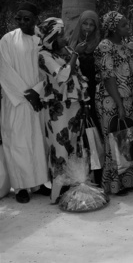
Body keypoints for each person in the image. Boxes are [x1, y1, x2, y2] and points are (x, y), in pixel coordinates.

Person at [0, 3, 48, 203]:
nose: (21, 22)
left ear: (36, 19)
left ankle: (39, 183)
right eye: (18, 18)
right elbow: (4, 69)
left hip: (39, 101)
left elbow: (50, 68)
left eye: (26, 19)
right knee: (18, 144)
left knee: (38, 143)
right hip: (16, 102)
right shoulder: (8, 40)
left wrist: (38, 92)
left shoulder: (43, 40)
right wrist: (27, 95)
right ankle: (21, 187)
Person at [38, 18, 90, 202]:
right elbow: (63, 76)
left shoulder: (66, 51)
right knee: (60, 148)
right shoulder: (44, 55)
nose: (64, 37)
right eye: (60, 35)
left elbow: (78, 73)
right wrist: (76, 53)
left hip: (75, 105)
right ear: (51, 37)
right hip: (58, 108)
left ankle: (75, 187)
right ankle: (58, 193)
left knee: (75, 145)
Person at [95, 11, 133, 195]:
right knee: (113, 139)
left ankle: (128, 180)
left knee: (127, 138)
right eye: (123, 25)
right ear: (113, 28)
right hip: (111, 100)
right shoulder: (105, 46)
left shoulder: (124, 46)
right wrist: (119, 105)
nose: (128, 27)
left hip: (128, 99)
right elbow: (108, 77)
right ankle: (114, 184)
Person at [69, 10, 102, 126]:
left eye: (91, 25)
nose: (88, 28)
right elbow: (67, 69)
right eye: (85, 23)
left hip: (96, 91)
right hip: (77, 92)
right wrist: (76, 52)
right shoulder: (72, 42)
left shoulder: (100, 44)